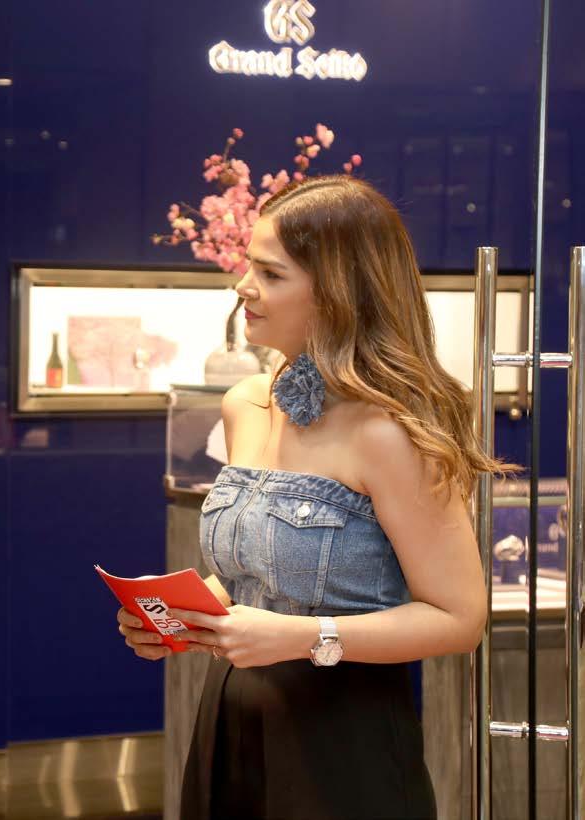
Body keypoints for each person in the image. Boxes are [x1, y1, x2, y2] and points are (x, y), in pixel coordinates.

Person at [118, 175, 501, 819]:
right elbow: (253, 577)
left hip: (343, 742)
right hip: (227, 721)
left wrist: (302, 637)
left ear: (337, 293)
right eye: (249, 266)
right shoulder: (245, 404)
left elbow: (460, 619)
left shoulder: (387, 434)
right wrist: (182, 612)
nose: (243, 288)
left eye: (270, 274)